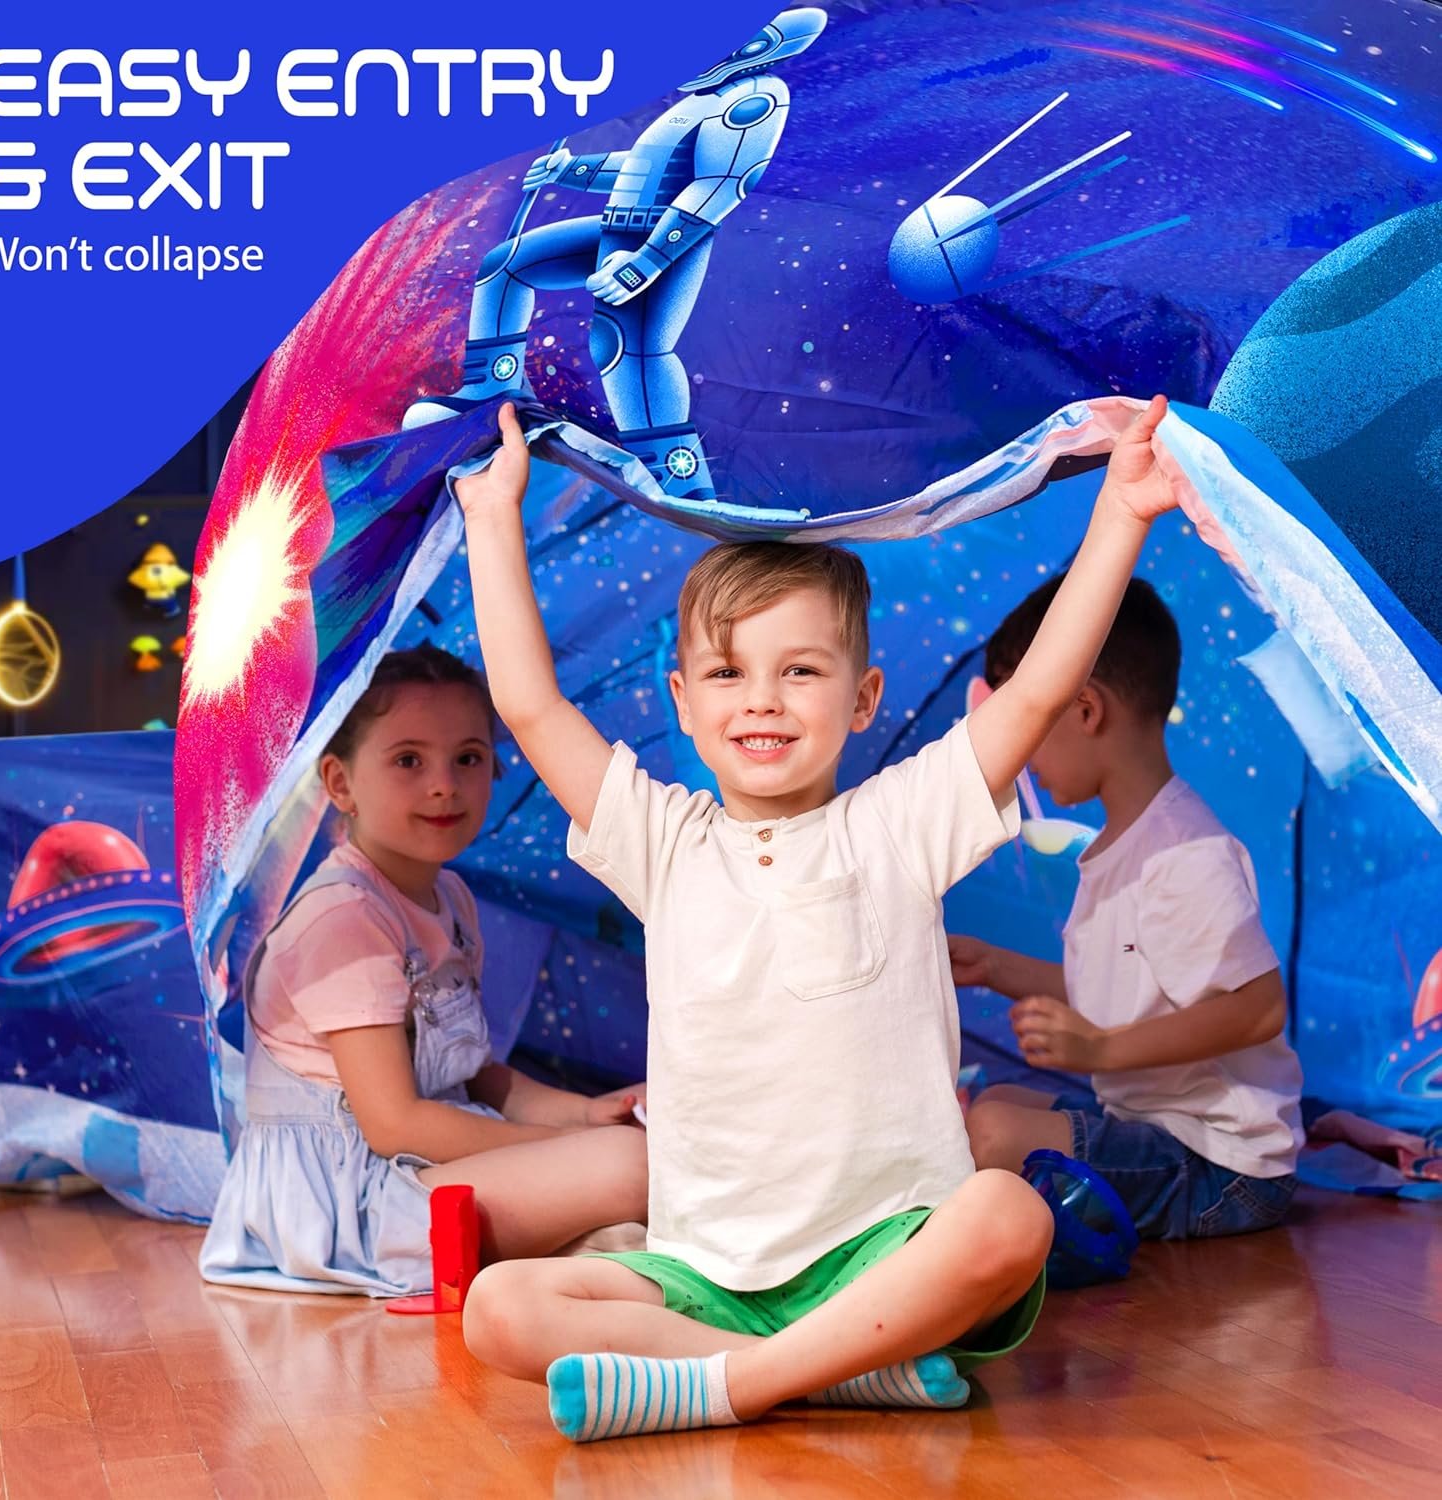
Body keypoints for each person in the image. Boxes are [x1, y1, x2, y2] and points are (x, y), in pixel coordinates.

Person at [452, 396, 1180, 1442]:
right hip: (709, 1274)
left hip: (885, 1256)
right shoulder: (663, 841)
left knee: (1009, 1214)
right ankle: (838, 1370)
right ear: (684, 702)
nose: (762, 700)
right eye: (728, 673)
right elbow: (530, 706)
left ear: (863, 697)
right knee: (499, 1307)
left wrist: (1121, 515)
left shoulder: (902, 824)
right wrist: (492, 521)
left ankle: (734, 1386)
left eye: (800, 671)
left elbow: (1031, 699)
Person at [199, 646, 648, 1297]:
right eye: (409, 760)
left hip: (421, 1169)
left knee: (647, 1136)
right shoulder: (343, 917)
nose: (444, 785)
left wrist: (582, 1115)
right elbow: (394, 1125)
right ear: (341, 783)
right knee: (633, 1167)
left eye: (467, 758)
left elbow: (478, 1075)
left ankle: (583, 1242)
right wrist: (547, 1149)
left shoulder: (451, 898)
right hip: (352, 1203)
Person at [954, 575, 1304, 1240]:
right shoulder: (1122, 846)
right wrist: (996, 967)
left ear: (1086, 710)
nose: (1018, 756)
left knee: (993, 1132)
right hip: (1149, 1127)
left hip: (1220, 1167)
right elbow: (1122, 989)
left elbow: (1257, 1008)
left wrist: (1103, 1048)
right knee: (997, 1101)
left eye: (1028, 722)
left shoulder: (1184, 852)